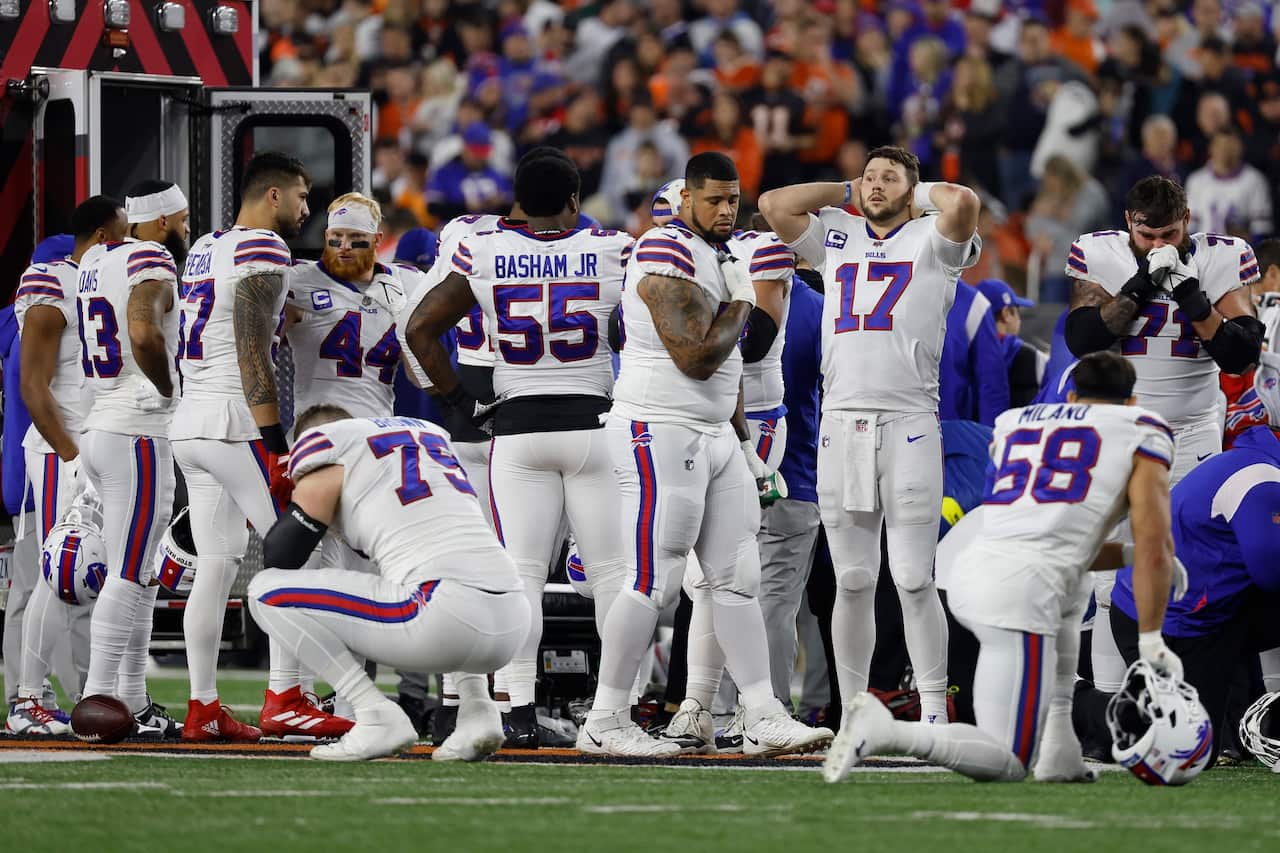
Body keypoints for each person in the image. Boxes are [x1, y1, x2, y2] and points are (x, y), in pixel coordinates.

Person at [575, 152, 832, 757]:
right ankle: (606, 716)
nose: (725, 211)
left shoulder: (716, 256)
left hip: (715, 431)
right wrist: (743, 299)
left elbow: (730, 371)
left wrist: (744, 442)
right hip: (659, 428)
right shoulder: (666, 249)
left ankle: (762, 713)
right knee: (653, 580)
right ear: (686, 199)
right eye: (713, 200)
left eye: (732, 201)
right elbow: (697, 356)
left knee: (737, 580)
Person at [825, 351, 1183, 784]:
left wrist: (1127, 556)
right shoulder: (1141, 428)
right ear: (1132, 401)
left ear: (1069, 395)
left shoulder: (1019, 423)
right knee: (1007, 760)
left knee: (1071, 585)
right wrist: (1151, 642)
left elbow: (1055, 537)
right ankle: (889, 732)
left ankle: (1059, 750)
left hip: (971, 564)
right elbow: (1154, 544)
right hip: (1019, 591)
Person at [403, 154, 633, 748]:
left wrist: (456, 402)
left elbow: (420, 329)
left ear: (519, 201)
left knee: (520, 578)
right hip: (593, 422)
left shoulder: (484, 249)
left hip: (518, 429)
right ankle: (614, 713)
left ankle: (519, 712)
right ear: (577, 199)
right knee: (611, 576)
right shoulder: (615, 249)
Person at [759, 145, 982, 726]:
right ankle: (855, 708)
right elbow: (773, 204)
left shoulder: (933, 237)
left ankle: (935, 707)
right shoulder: (838, 231)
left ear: (912, 189)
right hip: (841, 422)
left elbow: (961, 201)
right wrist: (845, 189)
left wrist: (914, 191)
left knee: (912, 576)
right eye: (870, 176)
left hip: (908, 421)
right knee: (854, 579)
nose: (875, 185)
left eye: (889, 178)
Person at [1063, 175, 1262, 695]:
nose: (1158, 246)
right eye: (1148, 237)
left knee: (1193, 574)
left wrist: (1191, 295)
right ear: (1129, 224)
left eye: (1169, 236)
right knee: (1111, 583)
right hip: (1120, 433)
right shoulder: (1099, 253)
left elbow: (1242, 354)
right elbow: (1083, 338)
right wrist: (1141, 285)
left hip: (1193, 433)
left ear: (1187, 222)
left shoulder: (1223, 258)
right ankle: (1111, 708)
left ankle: (1198, 703)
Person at [247, 407, 529, 761]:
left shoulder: (333, 454)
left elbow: (281, 555)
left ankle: (374, 714)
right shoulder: (429, 441)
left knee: (265, 591)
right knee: (433, 572)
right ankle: (477, 710)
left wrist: (299, 496)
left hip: (443, 617)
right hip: (513, 620)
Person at [173, 151, 323, 742]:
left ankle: (203, 706)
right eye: (302, 196)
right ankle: (285, 696)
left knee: (217, 565)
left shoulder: (207, 246)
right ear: (273, 196)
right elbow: (250, 350)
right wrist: (275, 444)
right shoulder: (264, 248)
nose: (306, 209)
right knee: (296, 554)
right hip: (235, 423)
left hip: (191, 421)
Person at [273, 192, 423, 737]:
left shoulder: (404, 283)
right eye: (333, 239)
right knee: (307, 567)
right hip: (317, 438)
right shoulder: (298, 279)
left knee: (360, 572)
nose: (341, 249)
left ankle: (348, 697)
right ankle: (293, 690)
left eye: (355, 240)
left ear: (376, 241)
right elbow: (260, 331)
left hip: (376, 442)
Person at [1095, 352, 1280, 765]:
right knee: (1188, 752)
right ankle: (1075, 705)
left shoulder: (1253, 460)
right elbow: (1271, 572)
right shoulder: (1261, 477)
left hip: (1188, 604)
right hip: (1174, 620)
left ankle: (1239, 716)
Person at [72, 183, 190, 738]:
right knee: (130, 571)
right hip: (136, 429)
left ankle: (133, 701)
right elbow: (143, 331)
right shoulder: (151, 256)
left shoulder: (95, 259)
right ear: (163, 221)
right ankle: (97, 699)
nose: (186, 230)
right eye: (183, 220)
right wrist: (167, 389)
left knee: (140, 572)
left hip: (102, 424)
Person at [5, 202, 126, 735]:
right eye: (121, 234)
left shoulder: (105, 280)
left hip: (94, 446)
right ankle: (28, 697)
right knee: (59, 575)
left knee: (87, 578)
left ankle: (93, 692)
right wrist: (73, 457)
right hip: (62, 450)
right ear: (101, 234)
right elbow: (33, 385)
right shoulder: (55, 280)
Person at [939, 280, 1009, 426]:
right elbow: (992, 389)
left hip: (948, 434)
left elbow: (992, 388)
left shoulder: (973, 303)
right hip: (947, 435)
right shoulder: (971, 302)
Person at [974, 278, 1046, 408]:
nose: (1019, 320)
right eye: (1017, 310)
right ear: (1006, 314)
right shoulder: (1032, 357)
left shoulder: (963, 354)